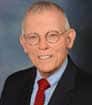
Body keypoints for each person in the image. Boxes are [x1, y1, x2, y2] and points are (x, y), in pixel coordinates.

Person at [0, 1, 92, 105]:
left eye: (52, 35)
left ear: (69, 39)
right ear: (24, 44)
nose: (42, 46)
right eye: (33, 37)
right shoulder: (13, 84)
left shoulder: (89, 92)